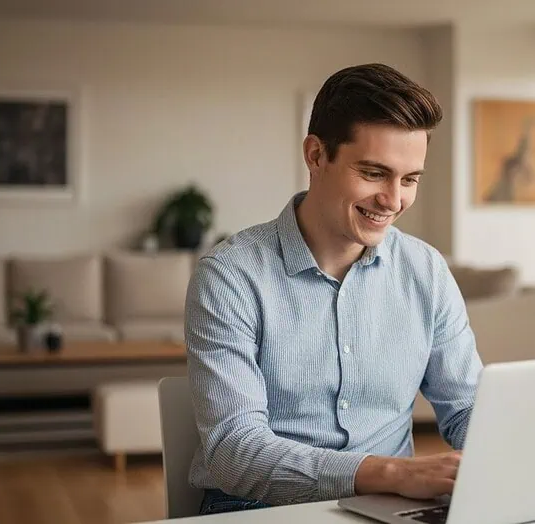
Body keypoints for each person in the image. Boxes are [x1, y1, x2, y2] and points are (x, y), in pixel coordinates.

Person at [184, 63, 483, 516]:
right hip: (255, 506)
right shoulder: (230, 276)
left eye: (410, 179)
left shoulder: (427, 271)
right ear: (316, 155)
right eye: (374, 173)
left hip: (393, 508)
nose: (393, 200)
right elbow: (235, 452)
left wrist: (519, 452)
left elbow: (466, 409)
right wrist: (393, 473)